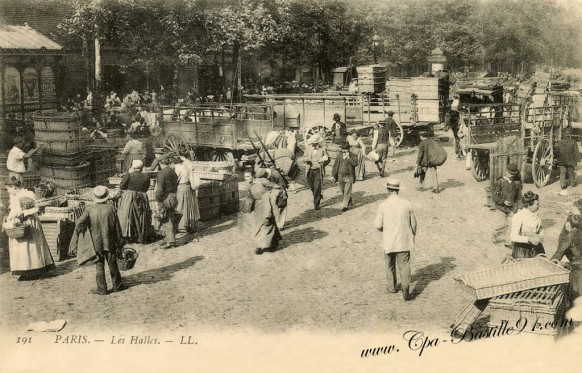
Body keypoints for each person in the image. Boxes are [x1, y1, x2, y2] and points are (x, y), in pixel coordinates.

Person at [75, 186, 125, 295]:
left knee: (99, 264)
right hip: (110, 241)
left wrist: (86, 231)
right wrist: (120, 242)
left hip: (96, 242)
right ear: (105, 197)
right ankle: (117, 285)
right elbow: (117, 227)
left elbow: (79, 224)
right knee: (113, 263)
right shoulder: (111, 208)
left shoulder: (89, 209)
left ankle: (102, 288)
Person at [3, 177, 55, 280]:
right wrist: (9, 218)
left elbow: (35, 209)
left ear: (14, 187)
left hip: (29, 222)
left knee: (31, 246)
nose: (8, 191)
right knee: (20, 248)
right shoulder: (13, 196)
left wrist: (22, 215)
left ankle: (35, 270)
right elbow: (13, 210)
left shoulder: (28, 194)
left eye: (8, 188)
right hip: (17, 224)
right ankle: (23, 270)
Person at [374, 179, 417, 301]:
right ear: (398, 190)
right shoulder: (407, 204)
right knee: (404, 265)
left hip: (389, 240)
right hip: (403, 240)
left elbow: (377, 224)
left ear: (388, 190)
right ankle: (405, 291)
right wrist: (413, 236)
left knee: (389, 265)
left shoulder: (383, 205)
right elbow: (414, 224)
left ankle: (392, 287)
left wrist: (385, 230)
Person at [243, 169, 286, 255]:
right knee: (260, 224)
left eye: (248, 176)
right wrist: (246, 207)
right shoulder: (248, 185)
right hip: (258, 206)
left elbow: (276, 186)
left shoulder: (262, 181)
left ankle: (260, 246)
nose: (246, 178)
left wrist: (274, 196)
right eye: (245, 176)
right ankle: (274, 241)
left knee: (266, 223)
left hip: (267, 204)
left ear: (253, 176)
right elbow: (250, 196)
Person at [552, 199, 582, 302]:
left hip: (577, 272)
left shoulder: (571, 235)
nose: (570, 214)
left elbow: (559, 252)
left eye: (573, 213)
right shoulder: (571, 224)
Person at [118, 160, 152, 244]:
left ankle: (128, 235)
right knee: (141, 215)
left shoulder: (128, 175)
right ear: (142, 167)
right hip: (142, 197)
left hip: (129, 197)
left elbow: (121, 186)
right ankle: (141, 235)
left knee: (127, 215)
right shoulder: (146, 176)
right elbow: (146, 188)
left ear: (133, 167)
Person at [492, 163, 522, 245]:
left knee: (511, 225)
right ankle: (495, 234)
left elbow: (519, 196)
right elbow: (495, 196)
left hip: (512, 208)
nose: (512, 175)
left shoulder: (516, 183)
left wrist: (519, 207)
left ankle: (508, 241)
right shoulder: (500, 181)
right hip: (501, 208)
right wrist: (503, 201)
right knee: (502, 224)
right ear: (506, 172)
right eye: (510, 173)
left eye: (514, 174)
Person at [510, 191, 545, 258]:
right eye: (537, 204)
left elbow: (541, 229)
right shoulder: (519, 216)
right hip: (522, 250)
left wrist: (539, 237)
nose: (538, 206)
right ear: (529, 206)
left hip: (535, 248)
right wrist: (528, 239)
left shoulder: (536, 216)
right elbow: (513, 236)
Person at [154, 154, 179, 249]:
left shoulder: (161, 173)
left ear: (160, 163)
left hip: (165, 197)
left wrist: (157, 200)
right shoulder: (172, 172)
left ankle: (171, 241)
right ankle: (169, 238)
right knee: (170, 217)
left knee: (165, 218)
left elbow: (160, 189)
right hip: (173, 196)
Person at [174, 149, 201, 233]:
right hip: (190, 187)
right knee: (190, 206)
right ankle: (191, 224)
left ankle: (183, 226)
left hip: (183, 187)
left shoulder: (182, 165)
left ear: (181, 156)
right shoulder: (190, 163)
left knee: (181, 206)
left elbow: (178, 178)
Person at [301, 134, 330, 210]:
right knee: (312, 186)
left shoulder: (322, 149)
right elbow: (303, 158)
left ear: (317, 143)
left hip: (318, 170)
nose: (312, 144)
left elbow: (328, 159)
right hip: (310, 170)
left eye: (314, 143)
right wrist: (307, 160)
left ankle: (316, 204)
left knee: (317, 187)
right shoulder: (308, 148)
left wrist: (323, 163)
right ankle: (318, 195)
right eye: (312, 143)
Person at [331, 142, 358, 212]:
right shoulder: (339, 155)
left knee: (347, 191)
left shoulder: (353, 155)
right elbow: (335, 165)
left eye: (346, 150)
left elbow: (355, 164)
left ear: (349, 149)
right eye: (343, 150)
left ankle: (345, 206)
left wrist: (348, 158)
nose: (344, 151)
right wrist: (333, 175)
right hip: (340, 175)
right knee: (343, 190)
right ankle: (349, 201)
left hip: (349, 176)